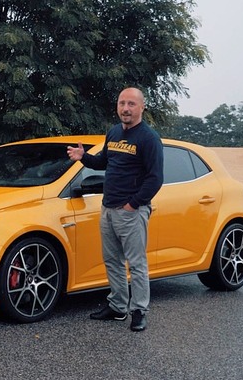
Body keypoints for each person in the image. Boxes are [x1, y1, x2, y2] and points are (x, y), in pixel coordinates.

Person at [66, 87, 163, 332]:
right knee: (112, 261)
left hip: (131, 211)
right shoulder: (115, 133)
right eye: (122, 103)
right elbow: (103, 162)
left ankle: (139, 310)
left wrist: (133, 204)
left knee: (136, 263)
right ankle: (118, 306)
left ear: (142, 107)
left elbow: (155, 178)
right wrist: (83, 156)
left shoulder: (149, 138)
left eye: (131, 104)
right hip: (108, 208)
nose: (126, 108)